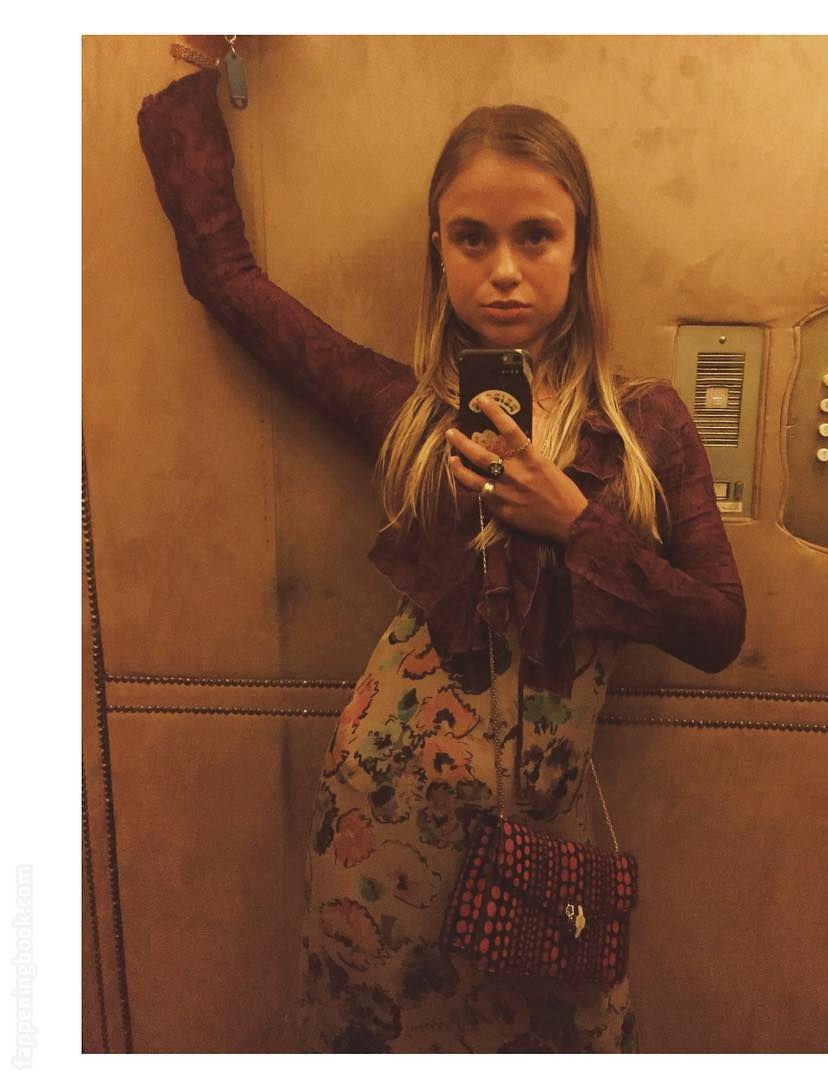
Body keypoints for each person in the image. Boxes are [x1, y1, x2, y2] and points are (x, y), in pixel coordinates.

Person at [137, 64, 746, 1054]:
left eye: (535, 235)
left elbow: (719, 627)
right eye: (472, 237)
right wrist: (199, 67)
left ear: (580, 243)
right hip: (384, 830)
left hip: (541, 843)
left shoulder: (648, 428)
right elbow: (229, 282)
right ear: (439, 250)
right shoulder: (412, 418)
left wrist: (573, 521)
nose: (504, 269)